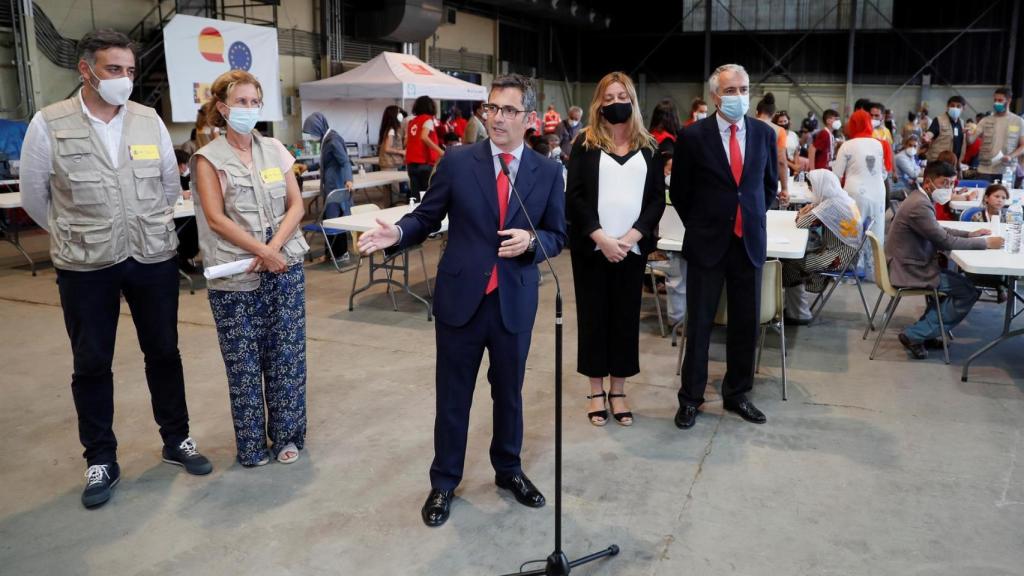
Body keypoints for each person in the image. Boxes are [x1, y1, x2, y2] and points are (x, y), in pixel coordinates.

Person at [357, 74, 566, 528]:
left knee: (508, 394)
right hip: (461, 300)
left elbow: (557, 234)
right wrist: (397, 233)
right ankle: (444, 481)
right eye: (492, 108)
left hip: (513, 300)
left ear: (530, 119)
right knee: (453, 397)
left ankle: (508, 470)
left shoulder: (547, 172)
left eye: (510, 110)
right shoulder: (456, 161)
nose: (498, 118)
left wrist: (532, 242)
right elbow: (427, 216)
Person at [18, 29, 212, 509]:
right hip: (87, 265)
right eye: (113, 70)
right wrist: (82, 233)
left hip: (150, 257)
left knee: (164, 352)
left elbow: (169, 187)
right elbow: (34, 198)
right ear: (86, 71)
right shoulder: (49, 123)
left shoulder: (149, 122)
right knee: (91, 362)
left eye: (129, 71)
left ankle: (176, 439)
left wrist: (134, 224)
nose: (124, 79)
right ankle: (100, 458)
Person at [192, 70, 310, 466]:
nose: (248, 109)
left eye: (254, 101)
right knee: (243, 365)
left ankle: (288, 436)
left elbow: (297, 205)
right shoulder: (208, 159)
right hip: (235, 279)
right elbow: (215, 218)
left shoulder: (275, 149)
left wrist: (274, 249)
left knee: (287, 358)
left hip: (284, 269)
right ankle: (252, 446)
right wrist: (262, 250)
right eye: (240, 102)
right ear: (223, 108)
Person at [670, 63, 777, 430]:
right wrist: (704, 223)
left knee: (745, 324)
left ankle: (736, 394)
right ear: (716, 96)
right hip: (707, 243)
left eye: (743, 89)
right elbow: (680, 192)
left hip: (748, 242)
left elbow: (768, 186)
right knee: (699, 324)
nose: (738, 96)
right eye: (730, 91)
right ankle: (691, 398)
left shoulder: (764, 134)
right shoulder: (693, 137)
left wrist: (749, 216)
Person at [566, 71, 665, 428]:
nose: (615, 103)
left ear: (632, 100)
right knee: (594, 318)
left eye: (621, 96)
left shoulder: (649, 146)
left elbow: (657, 199)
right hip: (593, 249)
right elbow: (574, 197)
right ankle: (595, 390)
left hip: (631, 250)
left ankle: (619, 390)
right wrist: (601, 238)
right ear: (598, 104)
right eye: (607, 98)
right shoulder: (585, 143)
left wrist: (632, 237)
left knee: (625, 319)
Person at [888, 161, 1002, 359]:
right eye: (944, 183)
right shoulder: (919, 205)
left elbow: (938, 230)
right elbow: (945, 241)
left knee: (959, 287)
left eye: (951, 183)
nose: (948, 188)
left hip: (911, 262)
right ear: (929, 182)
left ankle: (925, 332)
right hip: (910, 269)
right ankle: (915, 335)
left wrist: (969, 235)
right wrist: (985, 243)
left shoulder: (919, 198)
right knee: (967, 291)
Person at [781, 169, 862, 323]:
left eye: (812, 187)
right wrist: (807, 211)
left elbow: (801, 223)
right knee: (796, 259)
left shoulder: (831, 205)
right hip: (848, 252)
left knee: (791, 263)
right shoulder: (840, 197)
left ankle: (799, 314)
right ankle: (794, 308)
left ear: (821, 186)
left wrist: (803, 213)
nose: (811, 191)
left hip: (841, 257)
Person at [303, 111, 354, 260]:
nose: (311, 136)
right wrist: (308, 167)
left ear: (318, 127)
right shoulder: (327, 139)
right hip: (331, 186)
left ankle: (339, 254)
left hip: (335, 187)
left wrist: (348, 180)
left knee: (334, 222)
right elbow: (327, 161)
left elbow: (344, 162)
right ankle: (331, 254)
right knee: (331, 220)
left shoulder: (332, 140)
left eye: (311, 132)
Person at [968, 87, 1024, 183]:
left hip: (1007, 171)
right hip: (985, 170)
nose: (996, 103)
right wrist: (967, 134)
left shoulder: (1018, 121)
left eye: (1000, 100)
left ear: (1009, 101)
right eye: (995, 100)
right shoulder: (985, 120)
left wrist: (1010, 156)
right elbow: (970, 141)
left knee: (1004, 197)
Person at [405, 95, 445, 197]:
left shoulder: (412, 122)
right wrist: (440, 151)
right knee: (427, 195)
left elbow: (406, 141)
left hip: (411, 163)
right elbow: (424, 137)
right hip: (424, 162)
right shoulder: (427, 120)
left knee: (415, 195)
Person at [755, 93, 790, 199]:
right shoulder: (779, 131)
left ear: (756, 112)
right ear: (774, 114)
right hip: (767, 179)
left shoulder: (745, 126)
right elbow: (781, 161)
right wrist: (784, 189)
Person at [173, 149, 200, 273]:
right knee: (194, 223)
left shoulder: (176, 176)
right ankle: (183, 256)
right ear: (180, 164)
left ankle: (184, 258)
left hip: (179, 215)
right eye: (186, 164)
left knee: (196, 221)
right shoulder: (169, 176)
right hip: (173, 220)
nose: (186, 168)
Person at [924, 95, 967, 164]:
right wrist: (927, 137)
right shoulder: (938, 120)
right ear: (947, 106)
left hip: (955, 162)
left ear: (963, 108)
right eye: (952, 105)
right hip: (938, 162)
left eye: (958, 106)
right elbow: (930, 133)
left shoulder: (961, 123)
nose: (955, 108)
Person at [378, 104, 407, 170]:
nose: (401, 115)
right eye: (399, 112)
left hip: (390, 163)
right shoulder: (391, 130)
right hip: (390, 164)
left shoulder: (390, 129)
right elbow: (387, 148)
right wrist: (401, 152)